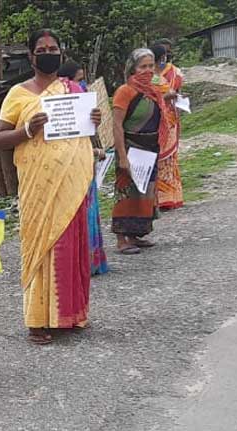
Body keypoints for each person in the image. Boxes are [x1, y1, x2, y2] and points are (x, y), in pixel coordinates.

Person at [0, 30, 102, 345]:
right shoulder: (18, 94)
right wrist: (26, 129)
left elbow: (83, 132)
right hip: (37, 184)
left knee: (71, 243)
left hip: (70, 179)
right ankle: (38, 321)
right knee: (40, 245)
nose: (48, 52)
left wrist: (92, 120)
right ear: (31, 56)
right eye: (41, 49)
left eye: (53, 48)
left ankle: (71, 314)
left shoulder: (73, 90)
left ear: (61, 52)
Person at [112, 48, 171, 254]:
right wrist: (121, 156)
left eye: (150, 66)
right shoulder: (125, 91)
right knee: (127, 192)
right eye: (142, 66)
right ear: (133, 68)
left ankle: (135, 235)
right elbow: (117, 125)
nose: (147, 70)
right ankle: (122, 239)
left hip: (150, 147)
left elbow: (166, 97)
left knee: (145, 192)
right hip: (131, 147)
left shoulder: (154, 89)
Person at [58, 61, 110, 276]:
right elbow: (64, 145)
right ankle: (79, 263)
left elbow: (84, 140)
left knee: (88, 210)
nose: (84, 85)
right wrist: (95, 153)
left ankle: (90, 260)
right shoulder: (59, 110)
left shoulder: (83, 108)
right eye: (79, 80)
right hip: (69, 171)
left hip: (85, 167)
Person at [154, 40, 186, 210]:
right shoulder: (152, 74)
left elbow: (177, 92)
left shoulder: (173, 72)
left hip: (168, 118)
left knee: (168, 157)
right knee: (161, 158)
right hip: (157, 118)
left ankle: (168, 197)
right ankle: (165, 197)